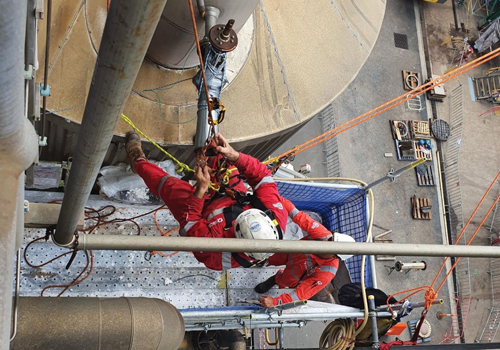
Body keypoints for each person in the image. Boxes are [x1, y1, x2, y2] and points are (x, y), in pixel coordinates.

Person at [125, 131, 288, 271]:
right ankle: (204, 145)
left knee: (166, 185)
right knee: (221, 155)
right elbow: (262, 176)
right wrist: (235, 156)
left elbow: (190, 225)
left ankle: (138, 162)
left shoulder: (217, 255)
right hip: (233, 197)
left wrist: (200, 190)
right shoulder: (275, 215)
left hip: (201, 214)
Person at [255, 197, 356, 307]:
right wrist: (276, 199)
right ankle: (261, 261)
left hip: (295, 274)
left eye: (331, 247)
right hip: (290, 252)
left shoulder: (326, 273)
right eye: (330, 240)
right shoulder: (322, 235)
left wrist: (275, 302)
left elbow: (300, 294)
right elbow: (298, 216)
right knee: (267, 256)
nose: (326, 243)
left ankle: (274, 280)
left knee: (283, 280)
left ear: (335, 256)